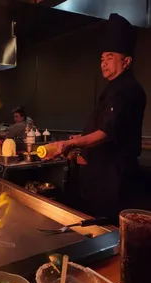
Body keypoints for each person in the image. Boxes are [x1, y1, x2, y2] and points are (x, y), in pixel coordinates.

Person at [45, 14, 146, 224]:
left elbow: (105, 133)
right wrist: (80, 147)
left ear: (126, 62)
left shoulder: (126, 89)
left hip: (114, 180)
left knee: (108, 231)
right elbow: (100, 129)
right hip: (101, 176)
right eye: (102, 58)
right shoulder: (113, 88)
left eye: (110, 57)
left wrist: (69, 143)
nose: (104, 63)